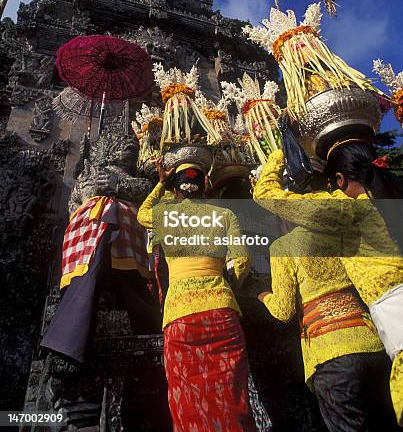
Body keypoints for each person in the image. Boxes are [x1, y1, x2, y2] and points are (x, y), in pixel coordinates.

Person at [254, 143, 402, 430]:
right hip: (373, 344)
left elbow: (284, 310)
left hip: (337, 351)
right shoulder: (380, 205)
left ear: (340, 181)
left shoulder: (343, 212)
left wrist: (282, 149)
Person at [137, 158, 256, 432]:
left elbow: (142, 213)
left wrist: (161, 184)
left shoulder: (165, 215)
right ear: (204, 187)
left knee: (187, 399)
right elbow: (241, 261)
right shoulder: (224, 215)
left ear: (176, 190)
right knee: (232, 399)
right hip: (221, 312)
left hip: (180, 316)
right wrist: (231, 288)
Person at [41, 133, 161, 364]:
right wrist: (90, 193)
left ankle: (145, 319)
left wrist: (115, 185)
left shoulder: (137, 179)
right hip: (91, 230)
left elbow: (145, 191)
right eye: (123, 144)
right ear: (109, 149)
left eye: (133, 147)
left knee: (132, 283)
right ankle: (69, 333)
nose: (129, 149)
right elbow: (73, 204)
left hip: (127, 229)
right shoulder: (89, 173)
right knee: (87, 279)